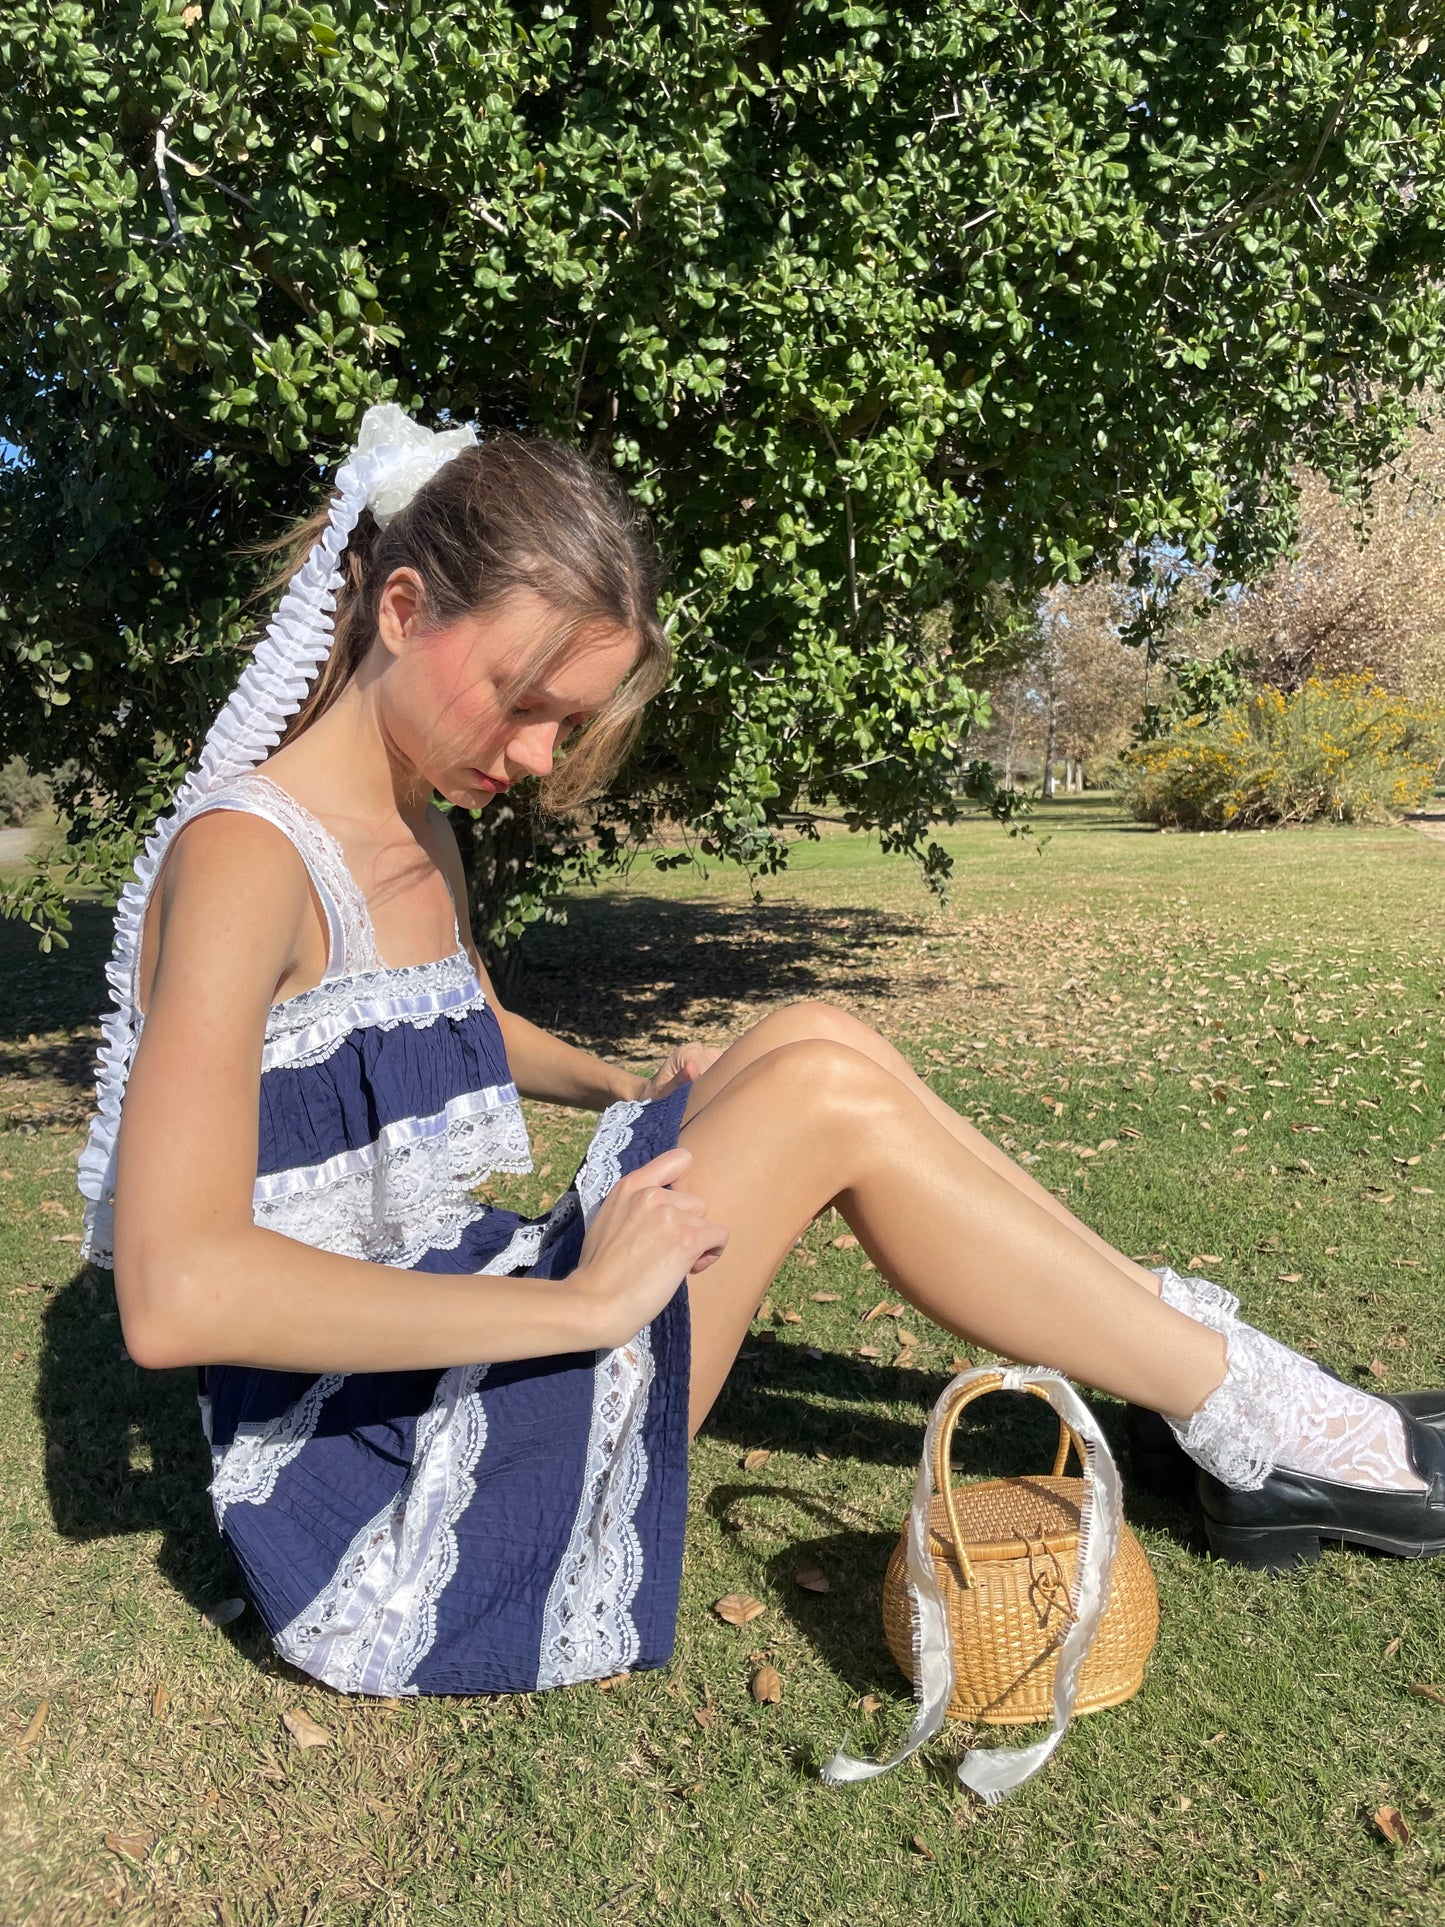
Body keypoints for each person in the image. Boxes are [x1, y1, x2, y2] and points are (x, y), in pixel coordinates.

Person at [78, 406, 1445, 1705]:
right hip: (380, 1483)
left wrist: (620, 1086)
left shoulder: (415, 815)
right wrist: (579, 1310)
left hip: (447, 1336)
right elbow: (177, 1294)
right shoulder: (244, 860)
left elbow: (443, 1020)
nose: (544, 755)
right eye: (524, 701)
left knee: (812, 1036)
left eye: (572, 721)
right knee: (822, 1092)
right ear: (399, 608)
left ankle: (1220, 1380)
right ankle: (1264, 1429)